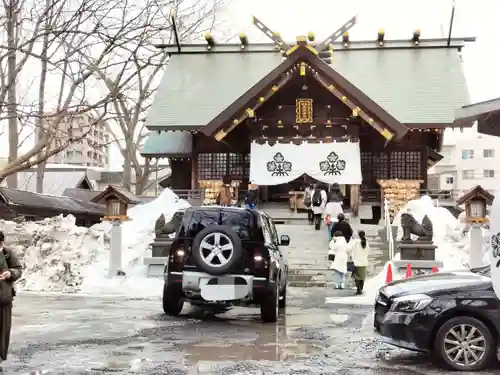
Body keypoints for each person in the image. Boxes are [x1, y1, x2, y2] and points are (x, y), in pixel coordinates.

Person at [0, 231, 22, 362]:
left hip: (4, 301)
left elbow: (18, 269)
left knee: (2, 333)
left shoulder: (7, 253)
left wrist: (10, 273)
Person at [347, 230, 370, 295]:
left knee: (356, 276)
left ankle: (358, 288)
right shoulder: (366, 242)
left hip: (356, 262)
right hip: (364, 262)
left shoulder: (355, 242)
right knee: (362, 277)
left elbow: (348, 248)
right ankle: (361, 288)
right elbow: (368, 251)